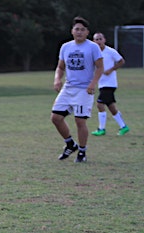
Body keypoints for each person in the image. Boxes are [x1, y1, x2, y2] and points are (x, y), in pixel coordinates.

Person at [51, 16, 104, 163]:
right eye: (77, 29)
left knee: (80, 121)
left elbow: (100, 67)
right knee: (56, 118)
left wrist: (93, 83)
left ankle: (82, 151)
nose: (79, 32)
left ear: (87, 32)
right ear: (72, 31)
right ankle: (70, 144)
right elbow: (60, 67)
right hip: (68, 88)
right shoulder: (65, 47)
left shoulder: (92, 47)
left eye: (82, 30)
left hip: (84, 90)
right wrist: (57, 79)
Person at [91, 32, 130, 136]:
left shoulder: (110, 51)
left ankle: (101, 129)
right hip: (101, 83)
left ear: (104, 40)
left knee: (99, 104)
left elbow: (121, 61)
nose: (98, 41)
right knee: (111, 106)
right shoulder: (94, 53)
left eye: (100, 39)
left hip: (110, 83)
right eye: (96, 40)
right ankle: (123, 126)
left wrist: (111, 70)